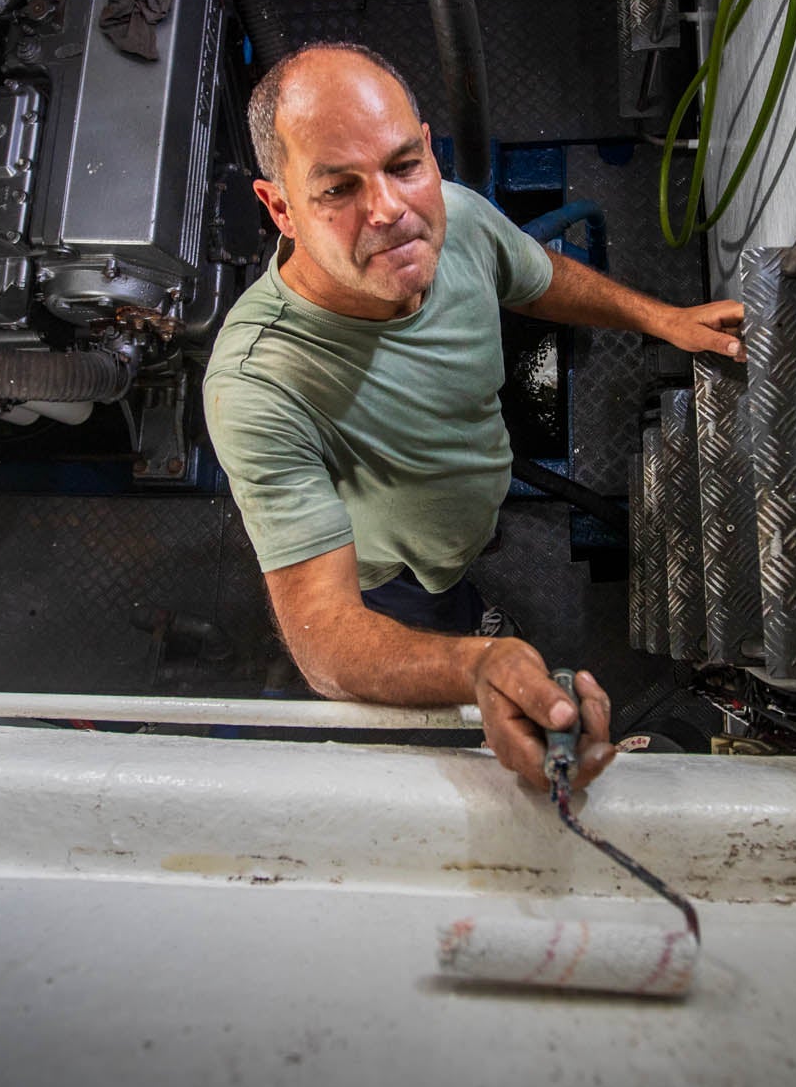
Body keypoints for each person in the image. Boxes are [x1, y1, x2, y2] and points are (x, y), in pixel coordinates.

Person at [203, 42, 743, 789]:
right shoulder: (258, 384)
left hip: (469, 505)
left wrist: (665, 319)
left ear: (428, 147)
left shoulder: (455, 217)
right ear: (280, 207)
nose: (390, 210)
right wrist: (476, 666)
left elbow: (536, 275)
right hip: (390, 575)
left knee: (463, 556)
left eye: (402, 165)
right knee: (435, 608)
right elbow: (323, 633)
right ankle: (467, 622)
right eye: (338, 189)